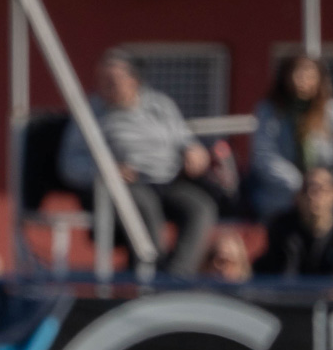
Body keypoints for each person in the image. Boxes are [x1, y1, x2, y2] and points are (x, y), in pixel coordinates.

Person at [58, 51, 217, 276]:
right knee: (145, 204)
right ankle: (148, 277)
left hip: (168, 180)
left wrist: (194, 150)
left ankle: (177, 277)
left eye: (112, 80)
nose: (104, 86)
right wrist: (107, 171)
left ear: (134, 80)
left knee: (200, 207)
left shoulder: (161, 105)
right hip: (125, 185)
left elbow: (184, 138)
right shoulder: (90, 112)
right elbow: (70, 163)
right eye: (101, 80)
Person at [246, 55, 333, 221]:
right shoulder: (269, 111)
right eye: (297, 73)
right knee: (279, 215)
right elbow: (263, 155)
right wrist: (300, 185)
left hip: (329, 189)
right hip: (284, 191)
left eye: (309, 74)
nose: (301, 79)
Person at [253, 166, 333, 278]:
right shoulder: (281, 230)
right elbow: (282, 278)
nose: (311, 196)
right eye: (306, 189)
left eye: (319, 189)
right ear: (298, 197)